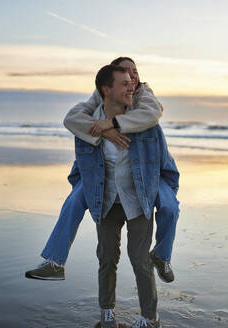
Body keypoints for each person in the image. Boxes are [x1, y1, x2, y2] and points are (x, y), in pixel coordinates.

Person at [25, 57, 179, 284]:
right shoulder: (100, 96)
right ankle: (55, 262)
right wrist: (104, 132)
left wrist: (112, 123)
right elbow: (72, 118)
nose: (132, 77)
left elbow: (152, 114)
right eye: (126, 74)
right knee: (73, 201)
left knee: (170, 207)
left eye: (135, 72)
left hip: (149, 170)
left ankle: (161, 256)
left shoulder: (144, 93)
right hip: (104, 172)